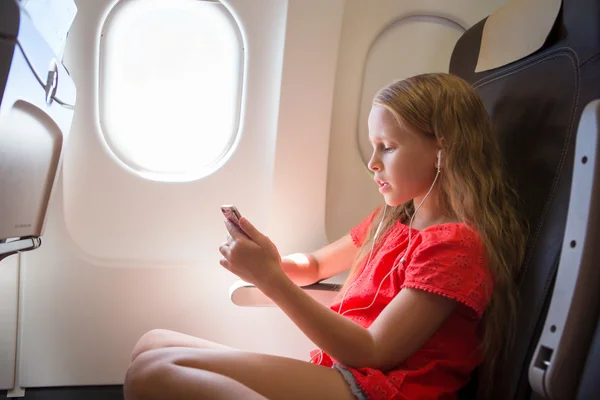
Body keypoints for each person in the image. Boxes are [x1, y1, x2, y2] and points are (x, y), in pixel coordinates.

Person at [123, 73, 527, 400]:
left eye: (386, 147)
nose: (372, 163)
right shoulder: (391, 221)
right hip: (346, 374)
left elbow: (374, 351)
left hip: (382, 389)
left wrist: (270, 280)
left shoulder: (455, 245)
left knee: (152, 375)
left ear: (443, 150)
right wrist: (272, 261)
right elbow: (316, 265)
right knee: (152, 344)